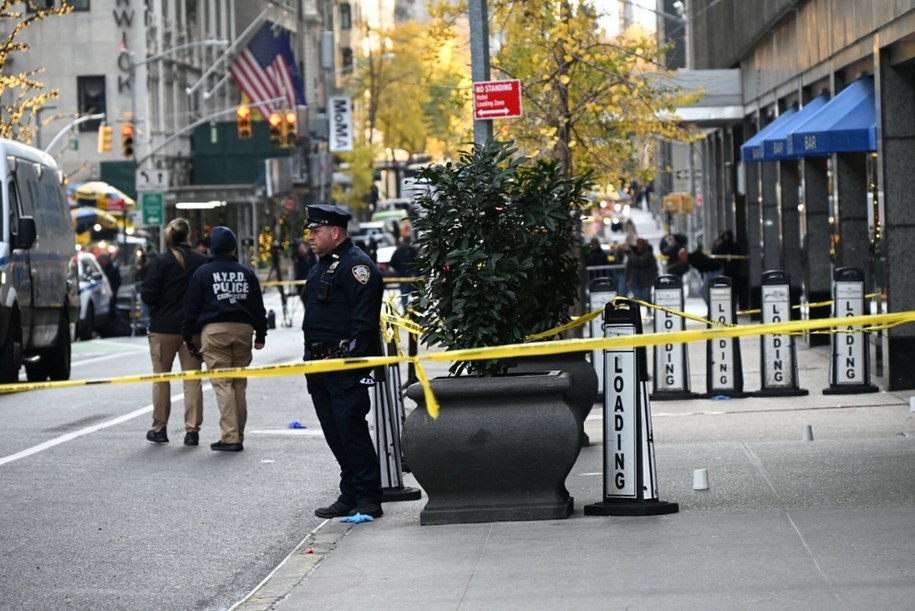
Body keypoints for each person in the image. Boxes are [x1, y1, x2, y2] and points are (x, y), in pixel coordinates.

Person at [302, 204, 384, 519]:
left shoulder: (357, 268)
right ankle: (349, 492)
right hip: (319, 364)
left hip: (344, 366)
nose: (310, 236)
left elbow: (363, 324)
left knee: (351, 430)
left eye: (316, 231)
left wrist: (355, 364)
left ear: (335, 233)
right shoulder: (322, 265)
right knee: (334, 432)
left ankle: (368, 498)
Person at [183, 226, 267, 452]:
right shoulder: (246, 273)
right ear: (233, 248)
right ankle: (238, 433)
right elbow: (258, 307)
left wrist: (189, 337)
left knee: (222, 383)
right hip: (243, 329)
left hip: (215, 331)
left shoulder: (203, 273)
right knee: (239, 383)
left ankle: (230, 437)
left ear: (212, 248)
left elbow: (191, 308)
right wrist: (261, 335)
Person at [140, 218, 208, 445]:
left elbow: (147, 294)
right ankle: (192, 430)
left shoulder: (161, 262)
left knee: (161, 378)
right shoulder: (201, 261)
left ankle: (159, 428)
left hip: (163, 329)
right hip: (193, 330)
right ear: (188, 235)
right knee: (192, 380)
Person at [389, 235, 418, 310]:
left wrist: (399, 269)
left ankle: (406, 312)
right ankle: (416, 311)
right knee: (416, 296)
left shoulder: (398, 251)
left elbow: (392, 263)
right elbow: (418, 262)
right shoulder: (413, 250)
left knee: (404, 296)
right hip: (413, 277)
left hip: (403, 277)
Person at [625, 237, 658, 303]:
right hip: (634, 277)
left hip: (646, 277)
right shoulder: (632, 254)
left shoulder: (649, 254)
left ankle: (648, 309)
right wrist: (627, 278)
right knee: (637, 297)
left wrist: (654, 277)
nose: (639, 245)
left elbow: (654, 267)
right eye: (638, 243)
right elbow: (628, 266)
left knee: (646, 296)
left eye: (641, 243)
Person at [291, 238, 316, 307]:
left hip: (310, 283)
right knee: (306, 304)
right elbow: (293, 258)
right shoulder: (297, 256)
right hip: (300, 284)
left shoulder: (311, 253)